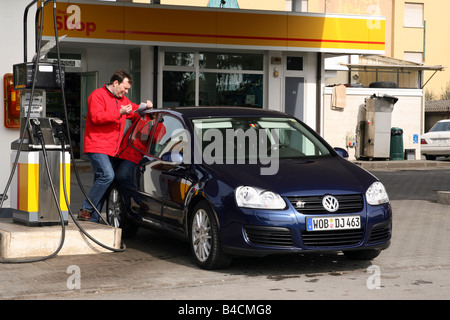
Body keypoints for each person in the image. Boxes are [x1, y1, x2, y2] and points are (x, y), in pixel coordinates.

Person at [78, 69, 153, 222]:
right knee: (107, 175)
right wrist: (119, 112)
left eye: (128, 90)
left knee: (101, 180)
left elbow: (133, 111)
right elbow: (97, 117)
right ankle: (85, 208)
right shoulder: (97, 95)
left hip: (112, 149)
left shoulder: (124, 101)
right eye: (124, 88)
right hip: (97, 145)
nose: (126, 92)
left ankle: (93, 220)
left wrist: (146, 107)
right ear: (115, 83)